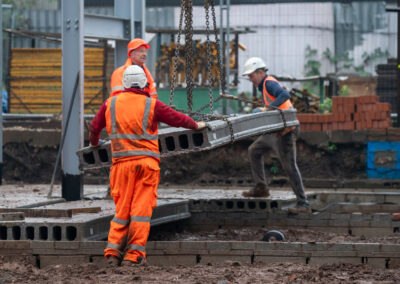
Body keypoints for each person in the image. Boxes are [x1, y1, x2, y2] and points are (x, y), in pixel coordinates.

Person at [90, 65, 206, 266]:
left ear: (124, 83)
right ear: (144, 83)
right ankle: (133, 257)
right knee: (140, 211)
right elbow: (176, 118)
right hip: (146, 165)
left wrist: (93, 144)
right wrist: (196, 125)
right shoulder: (151, 104)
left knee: (122, 211)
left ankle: (112, 253)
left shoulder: (110, 103)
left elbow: (94, 127)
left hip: (121, 166)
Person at [241, 57, 310, 214]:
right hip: (276, 131)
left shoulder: (269, 83)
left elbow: (285, 95)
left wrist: (266, 109)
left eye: (251, 76)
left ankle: (303, 204)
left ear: (260, 72)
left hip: (287, 132)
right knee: (254, 150)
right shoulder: (265, 86)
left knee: (289, 166)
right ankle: (261, 188)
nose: (251, 80)